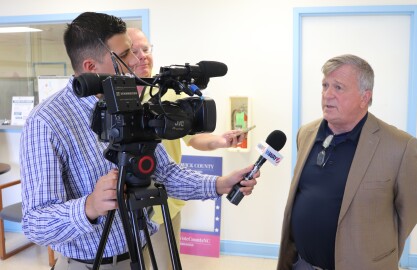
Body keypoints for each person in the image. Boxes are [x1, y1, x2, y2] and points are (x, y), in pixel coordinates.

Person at [20, 12, 259, 270]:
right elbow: (35, 224)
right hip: (89, 263)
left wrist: (220, 184)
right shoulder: (46, 122)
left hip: (143, 254)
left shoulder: (128, 100)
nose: (135, 61)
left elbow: (165, 173)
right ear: (91, 67)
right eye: (124, 55)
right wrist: (90, 205)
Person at [277, 54, 417, 270]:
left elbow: (411, 209)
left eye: (338, 87)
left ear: (365, 98)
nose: (327, 95)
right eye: (325, 85)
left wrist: (377, 252)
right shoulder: (306, 133)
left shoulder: (400, 146)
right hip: (301, 264)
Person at [127, 27, 246, 270]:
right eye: (134, 50)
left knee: (166, 264)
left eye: (146, 49)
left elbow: (194, 138)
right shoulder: (116, 97)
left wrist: (220, 141)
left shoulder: (169, 92)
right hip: (126, 200)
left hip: (164, 199)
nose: (143, 56)